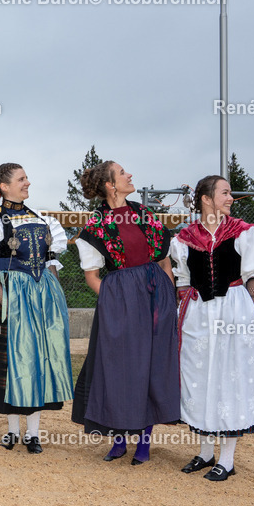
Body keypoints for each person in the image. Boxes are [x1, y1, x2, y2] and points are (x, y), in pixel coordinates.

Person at [71, 160, 179, 464]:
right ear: (110, 185)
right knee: (118, 369)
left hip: (155, 293)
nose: (130, 175)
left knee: (151, 367)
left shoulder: (144, 214)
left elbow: (164, 262)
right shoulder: (94, 227)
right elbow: (92, 275)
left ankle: (144, 444)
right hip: (119, 300)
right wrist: (115, 302)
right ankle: (118, 441)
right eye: (122, 173)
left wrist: (170, 300)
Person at [0, 163, 72, 454]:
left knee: (38, 362)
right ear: (4, 187)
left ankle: (33, 433)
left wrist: (55, 298)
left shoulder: (41, 218)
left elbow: (51, 263)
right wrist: (7, 303)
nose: (27, 183)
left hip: (42, 300)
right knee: (12, 365)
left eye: (26, 178)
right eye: (21, 179)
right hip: (11, 300)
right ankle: (13, 431)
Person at [171, 175, 254, 481]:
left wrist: (248, 311)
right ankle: (204, 451)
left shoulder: (244, 233)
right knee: (198, 378)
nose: (230, 198)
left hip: (234, 310)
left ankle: (227, 459)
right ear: (206, 199)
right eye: (225, 192)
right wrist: (185, 314)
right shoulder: (183, 239)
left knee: (230, 379)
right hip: (198, 314)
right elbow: (183, 282)